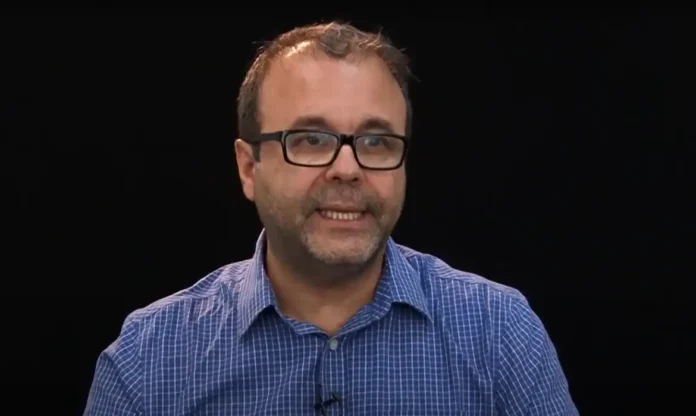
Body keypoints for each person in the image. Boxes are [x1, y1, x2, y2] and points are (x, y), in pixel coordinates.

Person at [84, 21, 578, 415]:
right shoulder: (148, 361)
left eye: (376, 141)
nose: (347, 169)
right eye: (311, 140)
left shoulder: (499, 332)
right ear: (249, 168)